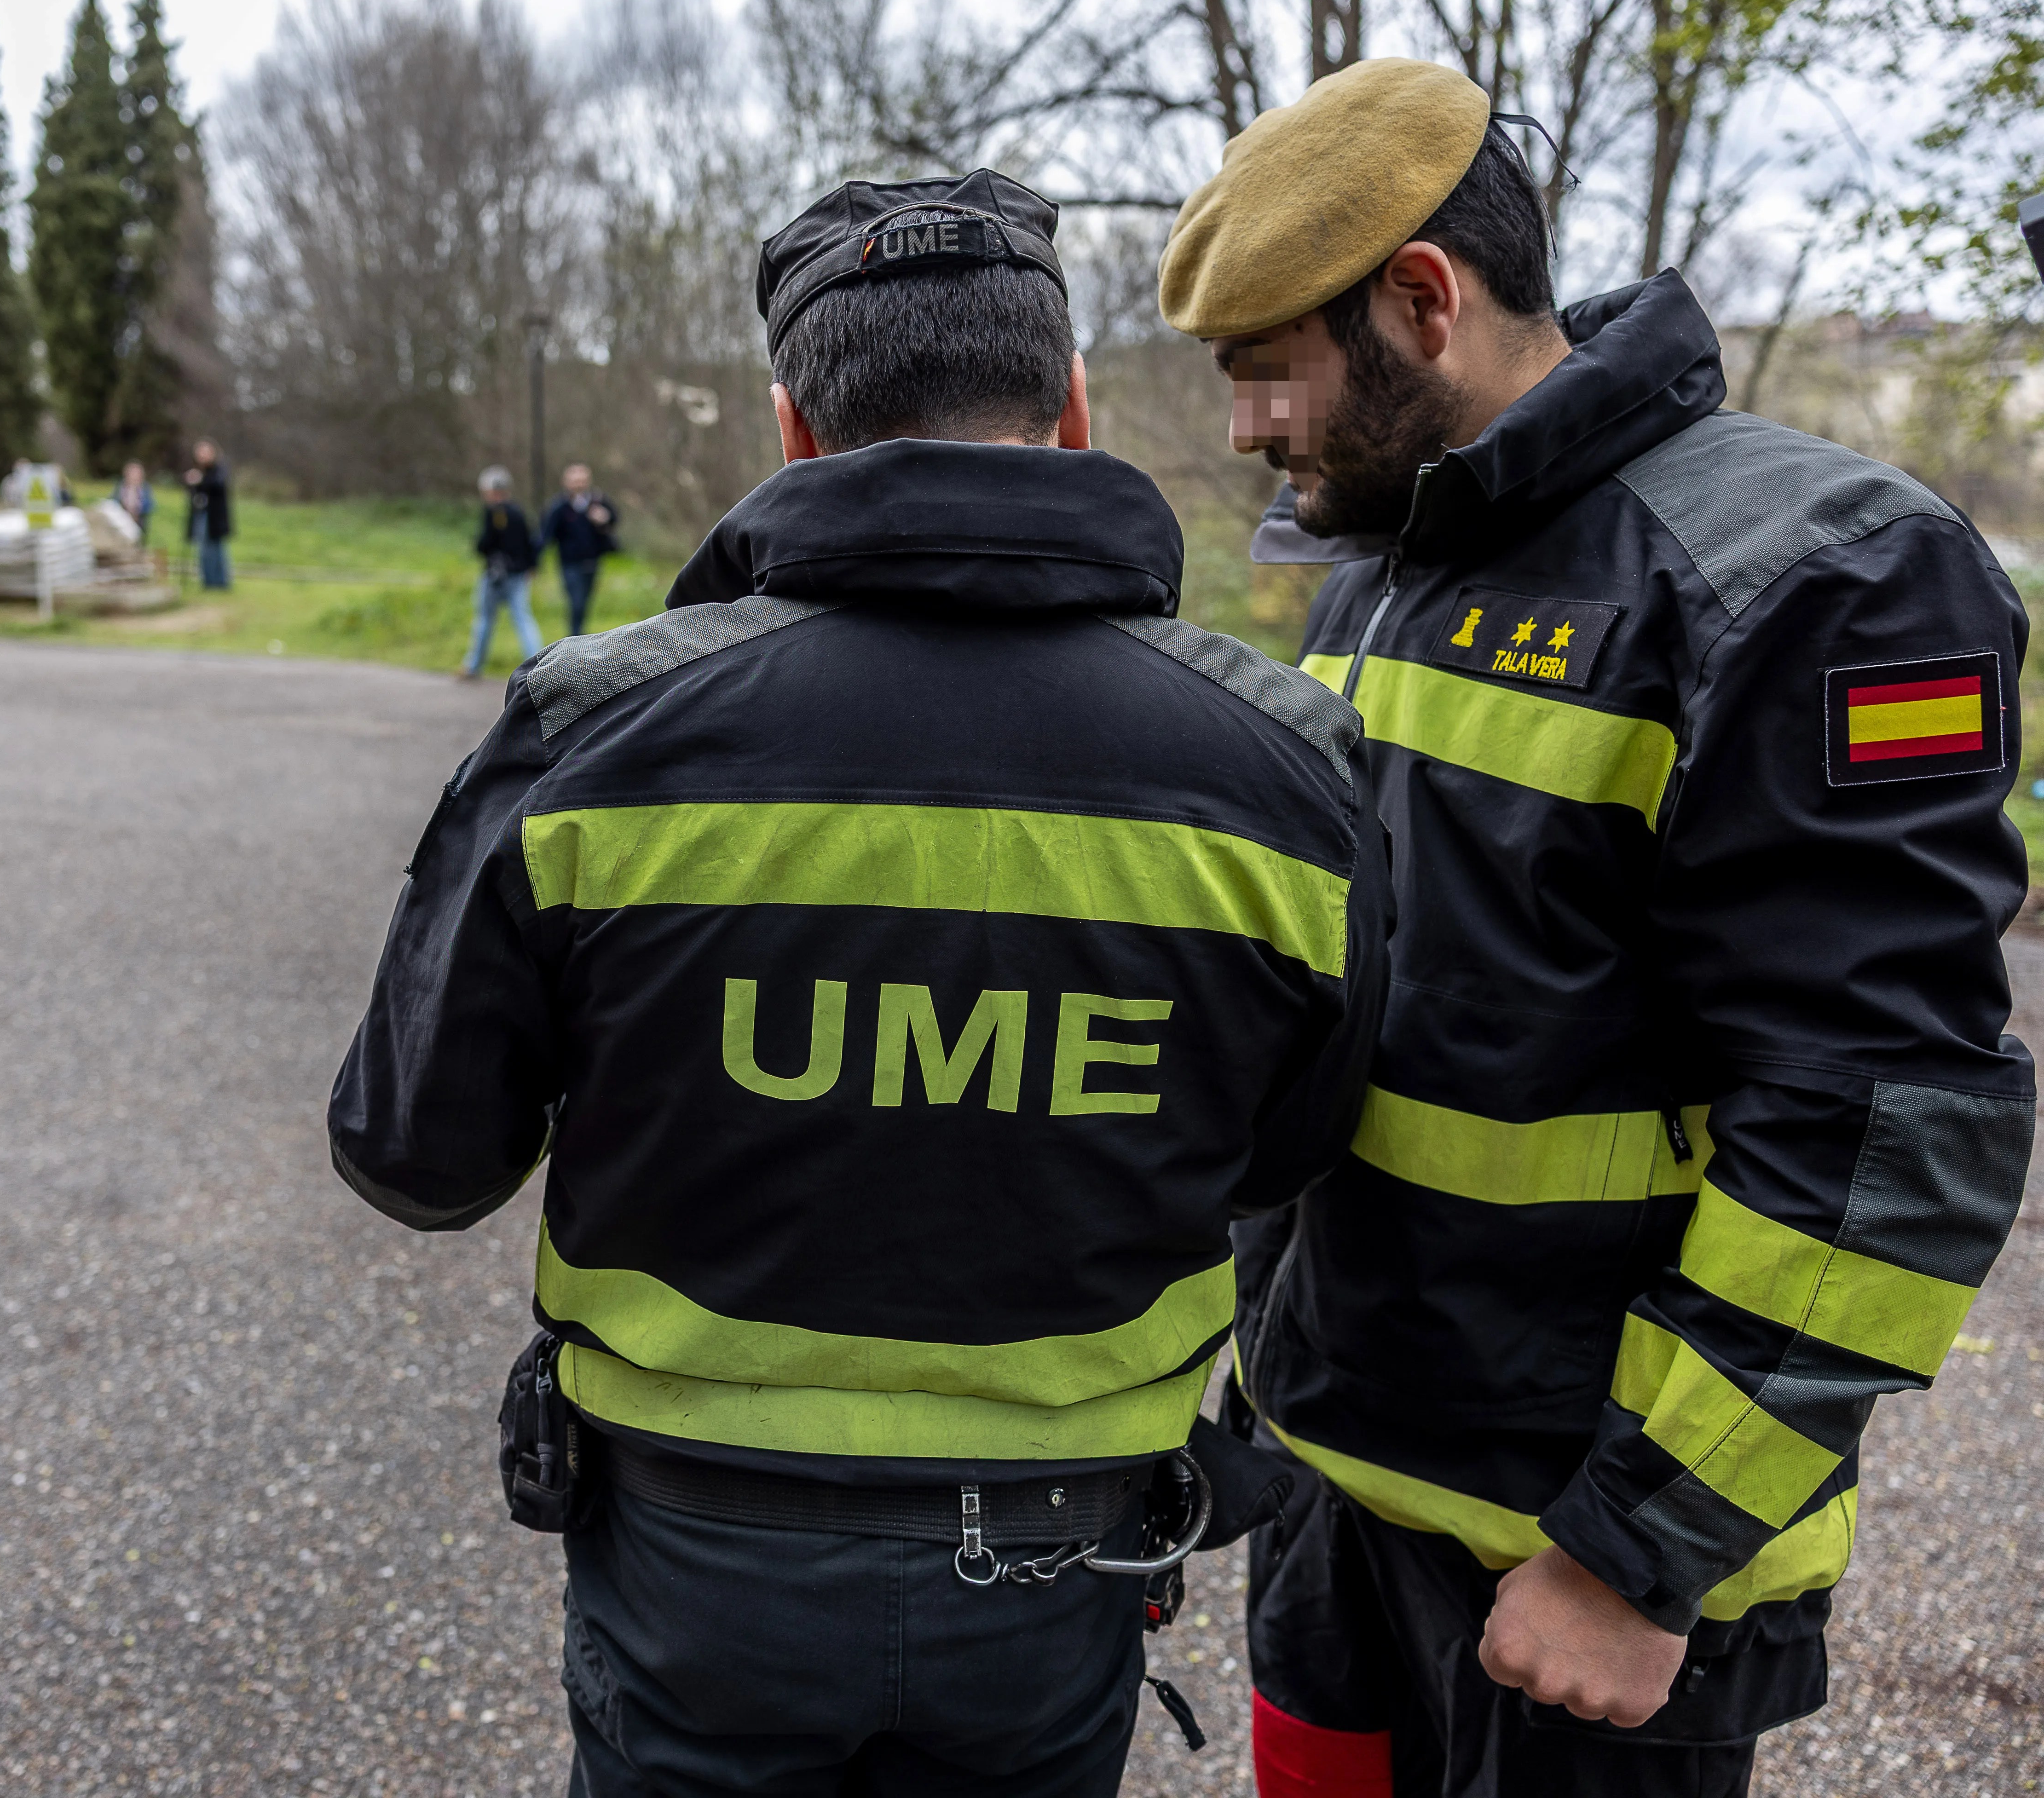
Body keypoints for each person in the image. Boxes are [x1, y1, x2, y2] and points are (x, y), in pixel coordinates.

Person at [331, 168, 1395, 1794]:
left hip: (702, 1560)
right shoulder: (1288, 764)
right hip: (1064, 1560)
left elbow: (414, 1156)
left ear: (792, 429)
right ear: (1077, 409)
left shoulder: (593, 737)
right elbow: (1288, 1149)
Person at [1156, 57, 2033, 1798]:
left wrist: (1638, 1550)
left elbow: (1881, 1129)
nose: (1252, 429)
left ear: (1424, 298)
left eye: (1271, 372)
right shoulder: (1389, 555)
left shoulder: (1819, 576)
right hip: (1342, 1490)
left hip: (1577, 1563)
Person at [460, 466, 543, 679]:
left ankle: (473, 666)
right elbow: (531, 541)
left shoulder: (494, 512)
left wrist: (480, 547)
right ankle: (540, 666)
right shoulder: (518, 511)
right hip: (518, 574)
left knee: (485, 619)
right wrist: (531, 566)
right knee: (523, 618)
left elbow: (486, 543)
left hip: (497, 576)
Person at [538, 462, 620, 636]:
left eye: (582, 481)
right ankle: (576, 637)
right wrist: (533, 560)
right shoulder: (560, 506)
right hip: (570, 563)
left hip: (592, 561)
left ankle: (579, 635)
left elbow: (615, 518)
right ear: (566, 482)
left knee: (585, 601)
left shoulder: (598, 501)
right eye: (575, 481)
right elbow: (546, 534)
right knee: (576, 602)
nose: (579, 485)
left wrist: (604, 518)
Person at [184, 441, 233, 591]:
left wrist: (201, 480)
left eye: (206, 453)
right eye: (200, 453)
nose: (203, 456)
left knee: (217, 550)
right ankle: (208, 582)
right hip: (201, 514)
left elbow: (217, 486)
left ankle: (220, 582)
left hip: (215, 518)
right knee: (204, 550)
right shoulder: (197, 471)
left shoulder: (219, 470)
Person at [116, 461, 153, 542]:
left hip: (139, 521)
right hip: (122, 520)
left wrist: (138, 510)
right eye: (132, 473)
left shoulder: (145, 488)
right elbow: (113, 502)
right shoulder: (121, 487)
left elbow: (150, 505)